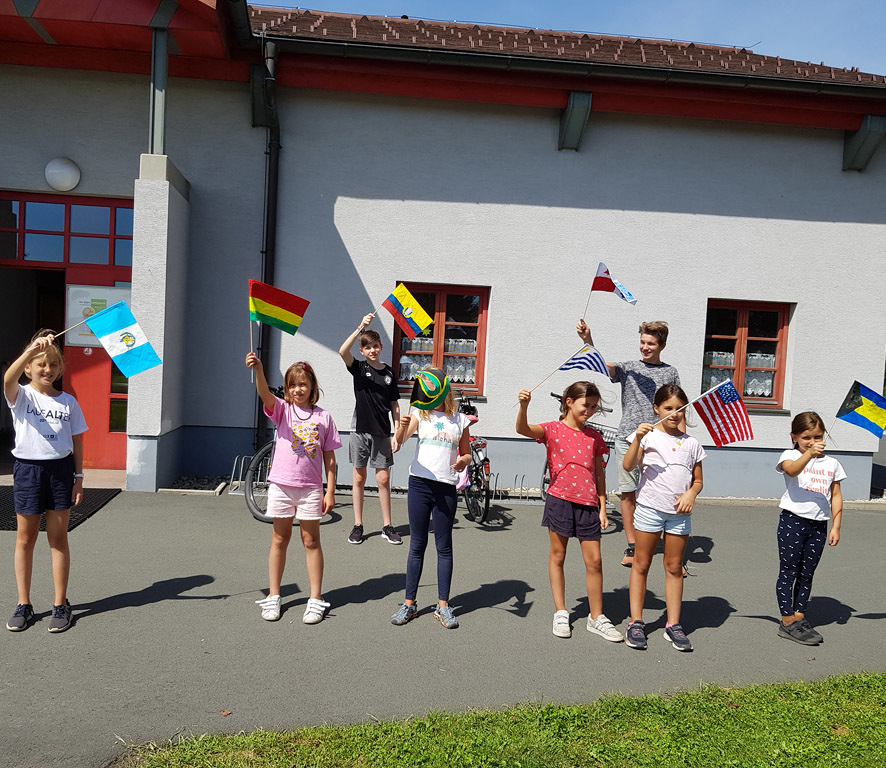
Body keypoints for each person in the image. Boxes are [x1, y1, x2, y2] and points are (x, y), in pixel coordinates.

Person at [516, 382, 623, 642]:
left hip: (588, 504)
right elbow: (522, 429)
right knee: (558, 556)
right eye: (586, 405)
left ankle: (596, 616)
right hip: (560, 501)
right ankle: (561, 611)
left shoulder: (594, 437)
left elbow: (599, 474)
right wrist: (524, 406)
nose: (590, 410)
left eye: (594, 407)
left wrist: (602, 506)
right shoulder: (552, 429)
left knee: (595, 561)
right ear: (569, 402)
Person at [245, 352, 340, 624]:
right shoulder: (282, 411)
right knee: (279, 539)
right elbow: (264, 394)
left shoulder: (324, 417)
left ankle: (315, 599)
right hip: (281, 486)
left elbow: (330, 459)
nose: (297, 390)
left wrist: (330, 491)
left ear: (312, 386)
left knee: (311, 541)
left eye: (302, 384)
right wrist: (259, 369)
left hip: (311, 489)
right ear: (287, 388)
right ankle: (274, 595)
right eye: (292, 385)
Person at [577, 318, 680, 567]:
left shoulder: (670, 372)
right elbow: (602, 366)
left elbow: (677, 407)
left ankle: (672, 551)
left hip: (659, 439)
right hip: (627, 438)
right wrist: (588, 340)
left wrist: (680, 440)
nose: (645, 347)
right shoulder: (629, 368)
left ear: (662, 345)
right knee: (628, 493)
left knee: (665, 491)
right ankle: (633, 545)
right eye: (642, 342)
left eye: (650, 343)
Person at [4, 331, 87, 633]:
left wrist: (78, 478)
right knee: (25, 538)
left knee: (58, 538)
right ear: (28, 367)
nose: (47, 369)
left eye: (53, 364)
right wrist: (30, 350)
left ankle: (60, 604)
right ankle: (23, 604)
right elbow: (7, 379)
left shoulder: (69, 402)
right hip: (28, 471)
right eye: (40, 364)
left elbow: (77, 442)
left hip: (60, 472)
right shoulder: (20, 395)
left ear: (60, 368)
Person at [622, 384, 705, 651]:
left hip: (679, 515)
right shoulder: (648, 436)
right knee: (641, 564)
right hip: (649, 509)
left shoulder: (692, 443)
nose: (674, 413)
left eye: (680, 408)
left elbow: (698, 480)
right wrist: (637, 438)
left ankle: (673, 624)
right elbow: (628, 465)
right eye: (668, 408)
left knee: (674, 566)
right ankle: (636, 622)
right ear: (656, 408)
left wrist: (691, 493)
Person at [390, 368, 470, 629]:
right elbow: (398, 443)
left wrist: (463, 461)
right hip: (420, 485)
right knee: (417, 544)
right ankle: (409, 604)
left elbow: (467, 453)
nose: (429, 394)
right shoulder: (418, 413)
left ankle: (443, 606)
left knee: (444, 547)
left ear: (445, 390)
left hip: (446, 487)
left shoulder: (459, 420)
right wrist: (401, 429)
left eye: (433, 389)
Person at [774, 412, 845, 646]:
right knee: (789, 572)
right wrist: (808, 453)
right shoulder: (791, 455)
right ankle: (787, 621)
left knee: (807, 574)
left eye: (818, 437)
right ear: (794, 437)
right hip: (793, 522)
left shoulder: (832, 463)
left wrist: (836, 526)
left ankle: (799, 616)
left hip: (818, 525)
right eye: (806, 437)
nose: (813, 442)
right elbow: (792, 470)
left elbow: (836, 495)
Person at [339, 314, 402, 545]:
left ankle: (387, 526)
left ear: (381, 347)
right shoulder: (359, 368)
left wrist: (397, 433)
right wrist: (360, 327)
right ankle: (358, 525)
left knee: (383, 479)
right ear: (362, 351)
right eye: (367, 347)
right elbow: (342, 351)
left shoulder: (389, 372)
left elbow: (395, 404)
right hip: (359, 430)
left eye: (375, 346)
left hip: (382, 431)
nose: (372, 350)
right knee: (359, 477)